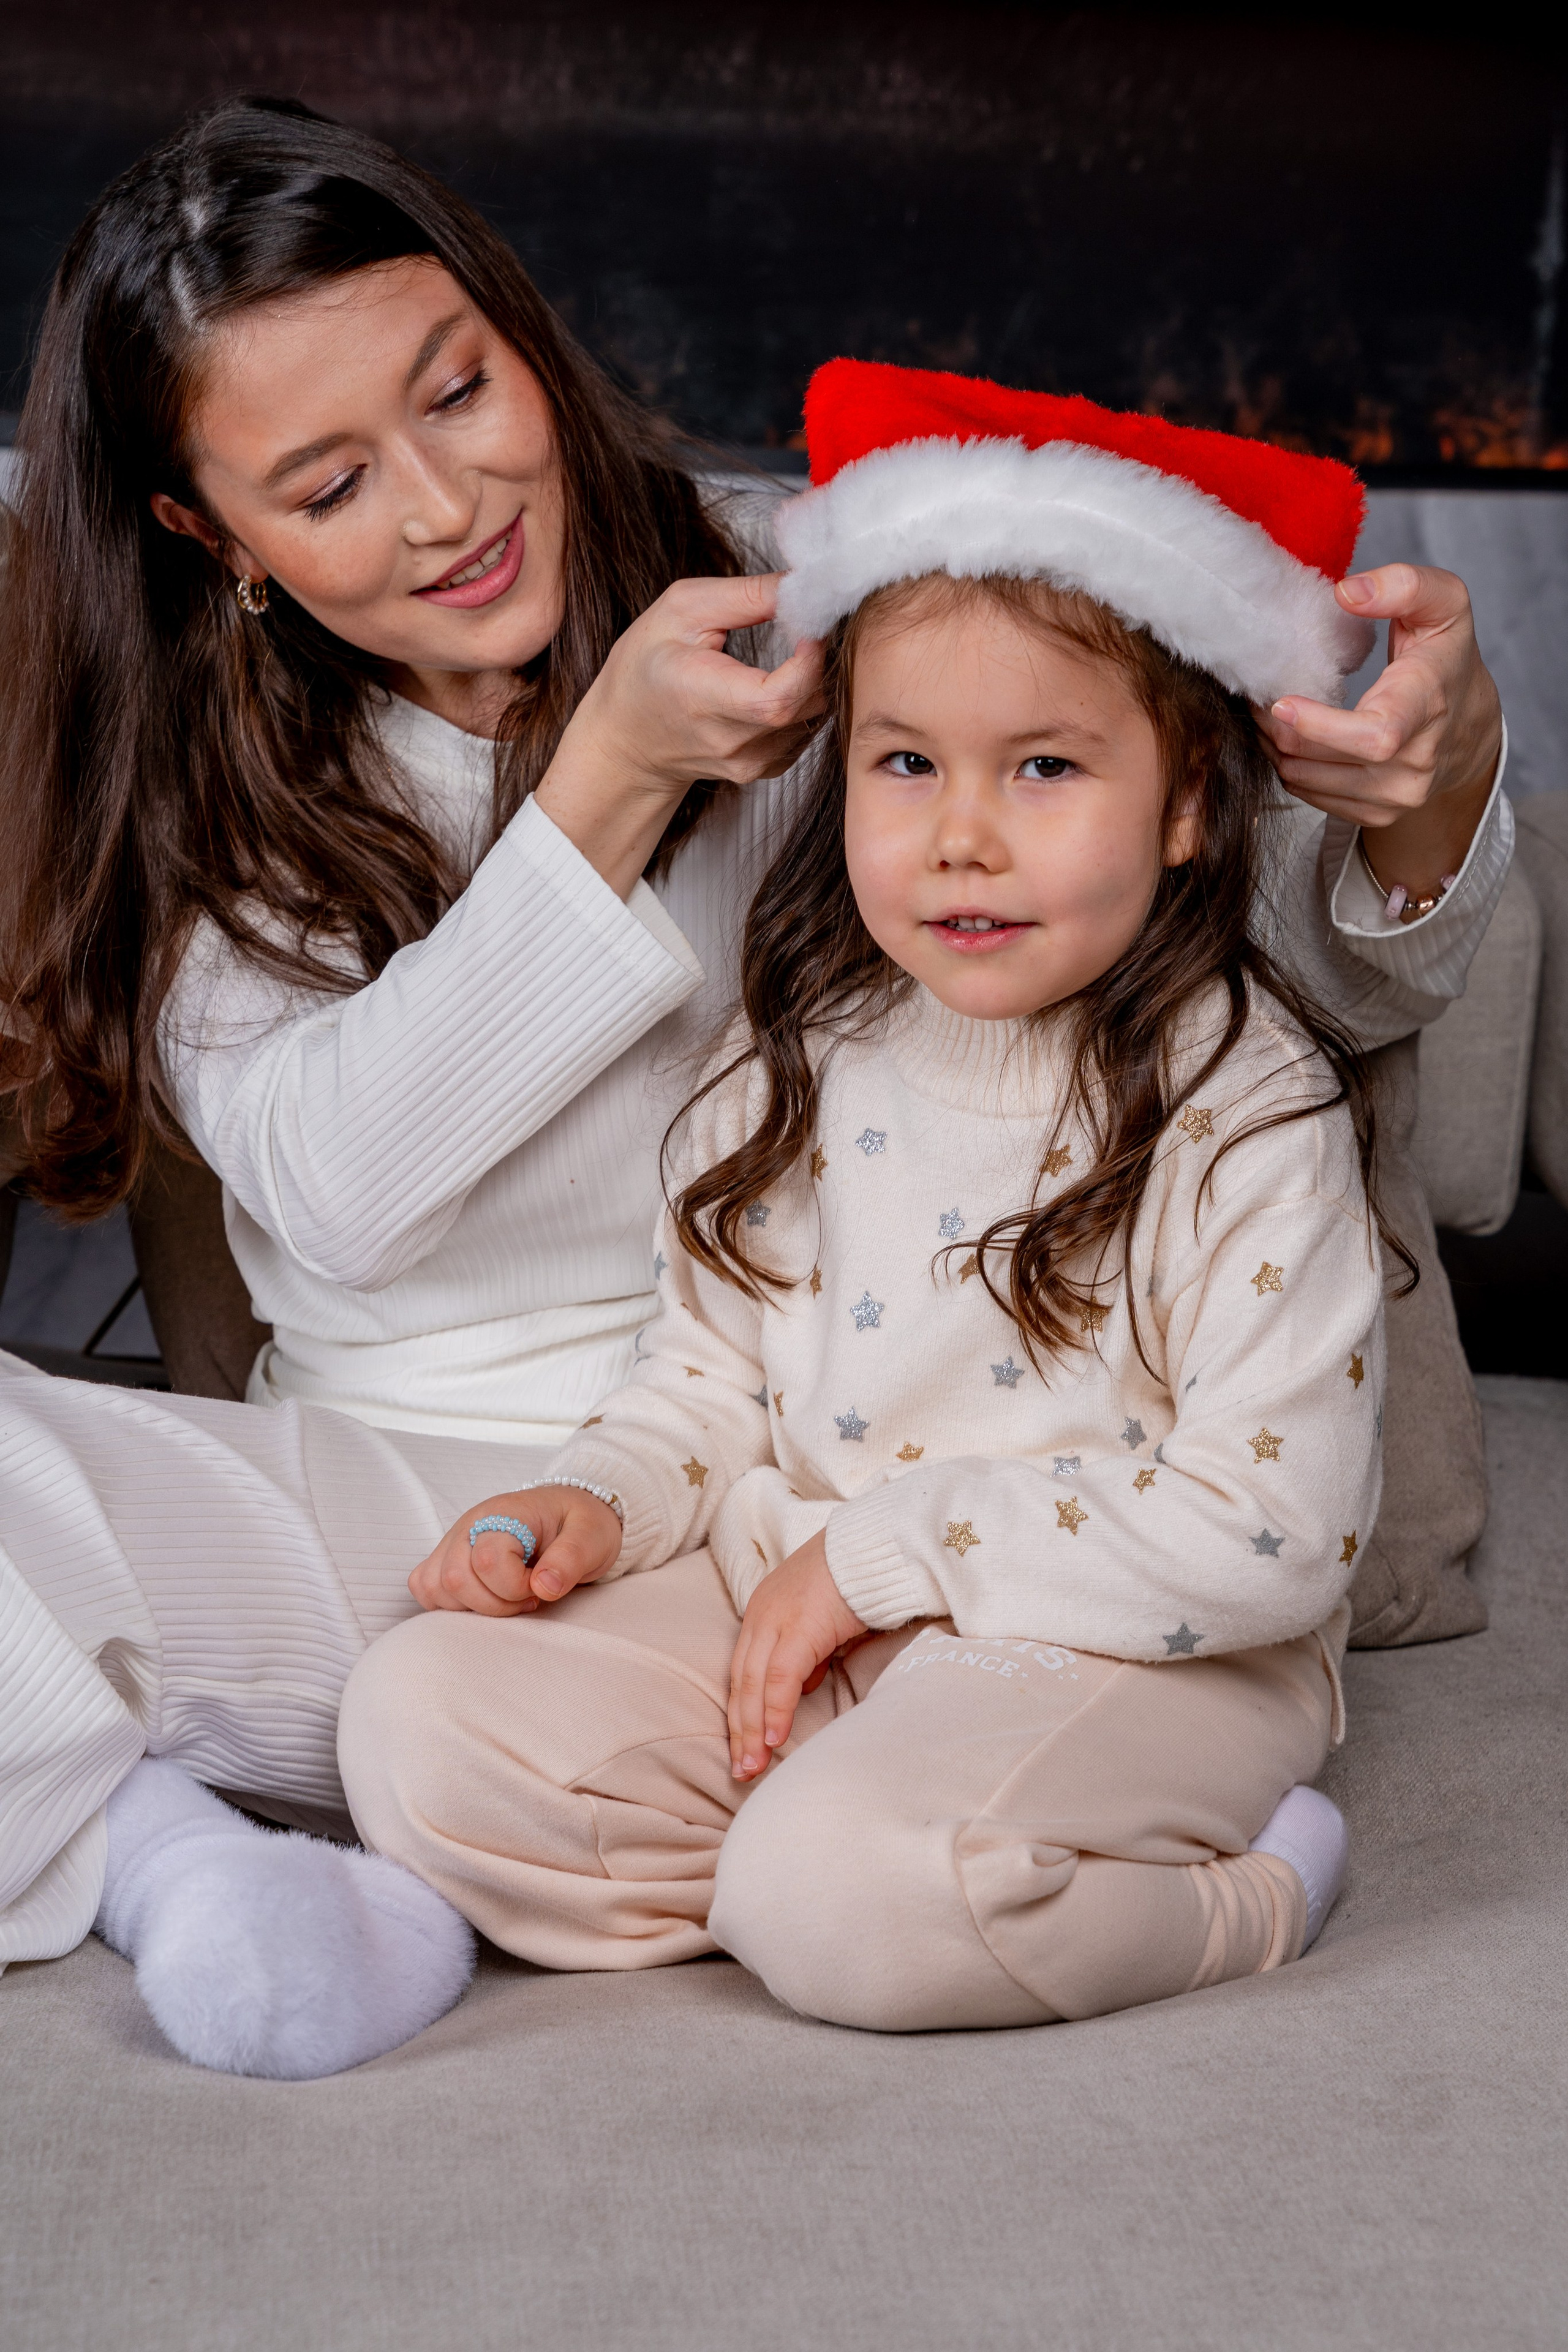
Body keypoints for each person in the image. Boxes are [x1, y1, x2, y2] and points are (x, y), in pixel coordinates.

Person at [0, 101, 1509, 2066]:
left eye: (461, 392)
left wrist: (1442, 781)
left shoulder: (793, 598)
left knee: (708, 1788)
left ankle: (717, 1857)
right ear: (214, 535)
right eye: (329, 481)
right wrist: (610, 785)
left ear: (523, 334)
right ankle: (168, 1856)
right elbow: (338, 1190)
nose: (449, 506)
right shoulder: (203, 780)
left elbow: (1257, 950)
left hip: (825, 1440)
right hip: (445, 1504)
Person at [341, 369, 1402, 2032]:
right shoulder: (802, 1057)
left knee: (846, 1904)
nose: (961, 838)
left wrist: (897, 1559)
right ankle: (845, 1853)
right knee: (418, 1721)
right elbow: (708, 1379)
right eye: (908, 763)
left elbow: (1273, 1535)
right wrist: (600, 1500)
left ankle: (1233, 1893)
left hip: (1137, 1642)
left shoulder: (1244, 1113)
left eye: (1045, 769)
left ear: (1190, 804)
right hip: (807, 1597)